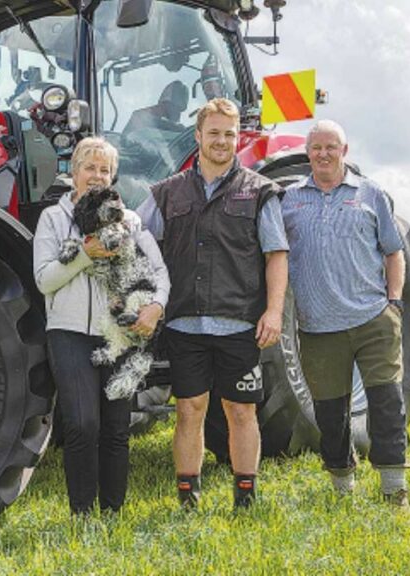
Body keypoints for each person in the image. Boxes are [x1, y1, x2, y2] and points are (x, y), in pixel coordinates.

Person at [138, 98, 289, 509]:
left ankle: (246, 494)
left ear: (237, 138)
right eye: (214, 133)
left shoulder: (259, 192)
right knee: (190, 409)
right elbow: (136, 238)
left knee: (242, 411)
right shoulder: (166, 193)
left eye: (229, 134)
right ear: (198, 137)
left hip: (239, 323)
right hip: (184, 324)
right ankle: (188, 494)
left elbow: (276, 254)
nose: (222, 141)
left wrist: (273, 312)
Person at [33, 137, 171, 516]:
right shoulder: (53, 219)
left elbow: (158, 272)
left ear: (113, 177)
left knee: (115, 427)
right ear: (74, 172)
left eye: (105, 170)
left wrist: (156, 305)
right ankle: (83, 513)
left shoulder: (129, 221)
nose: (97, 176)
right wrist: (84, 255)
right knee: (82, 424)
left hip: (119, 333)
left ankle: (113, 511)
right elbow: (44, 279)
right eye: (90, 168)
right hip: (69, 332)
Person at [280, 119, 410, 509]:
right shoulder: (289, 200)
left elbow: (393, 251)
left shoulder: (370, 194)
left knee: (386, 403)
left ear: (344, 151)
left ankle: (394, 490)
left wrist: (395, 302)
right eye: (316, 147)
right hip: (319, 328)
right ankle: (342, 488)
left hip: (373, 319)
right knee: (330, 414)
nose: (323, 154)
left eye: (331, 147)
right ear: (308, 152)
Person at [123, 80, 189, 135]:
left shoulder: (176, 134)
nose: (177, 114)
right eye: (175, 107)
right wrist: (180, 129)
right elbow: (139, 118)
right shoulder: (140, 117)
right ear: (164, 103)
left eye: (180, 110)